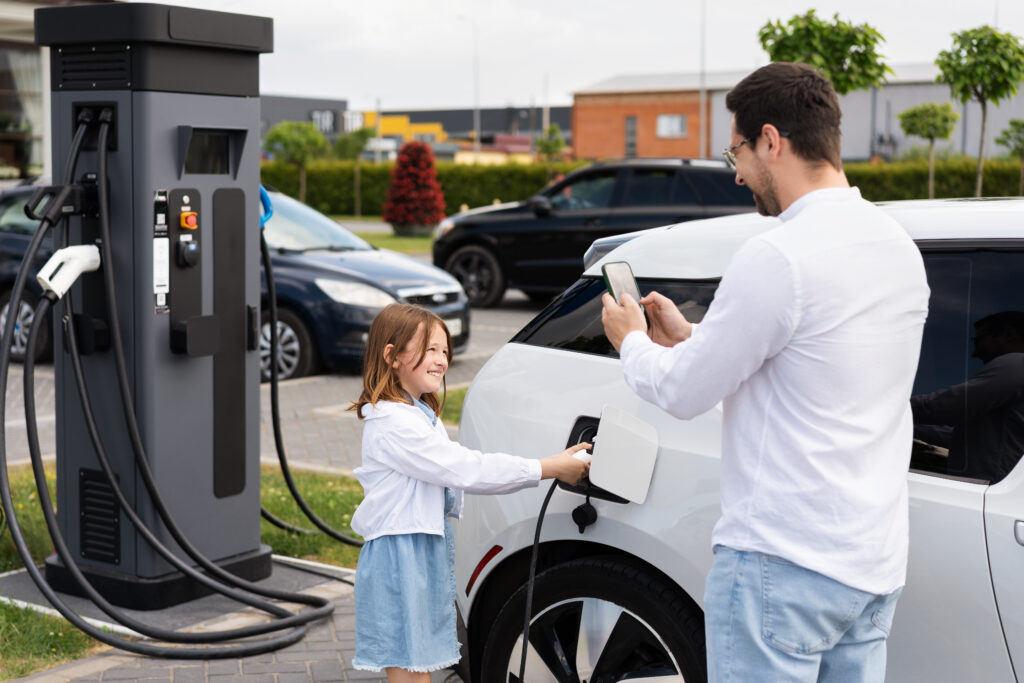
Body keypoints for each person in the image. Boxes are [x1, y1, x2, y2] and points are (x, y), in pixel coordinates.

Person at [600, 62, 930, 682]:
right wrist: (696, 337)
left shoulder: (778, 254)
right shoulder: (897, 247)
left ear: (772, 141)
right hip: (872, 561)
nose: (737, 173)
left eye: (737, 151)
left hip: (782, 562)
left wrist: (633, 342)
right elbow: (817, 365)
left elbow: (681, 391)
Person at [348, 303, 590, 681]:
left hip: (417, 548)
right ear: (392, 356)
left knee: (418, 663)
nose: (441, 360)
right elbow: (464, 467)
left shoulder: (417, 413)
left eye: (445, 351)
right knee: (409, 665)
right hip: (400, 556)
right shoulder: (394, 423)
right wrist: (548, 467)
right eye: (429, 349)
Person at [911, 311, 1024, 483]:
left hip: (985, 493)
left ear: (1007, 334)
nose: (974, 353)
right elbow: (964, 438)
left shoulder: (1017, 365)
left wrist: (889, 408)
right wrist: (908, 425)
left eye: (978, 340)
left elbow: (948, 406)